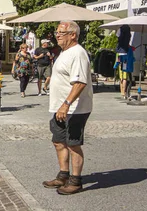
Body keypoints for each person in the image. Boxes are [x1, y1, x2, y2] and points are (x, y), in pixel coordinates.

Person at [43, 21, 93, 195]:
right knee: (58, 141)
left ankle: (76, 180)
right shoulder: (64, 52)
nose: (57, 35)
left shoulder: (78, 53)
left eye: (62, 32)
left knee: (73, 144)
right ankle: (63, 175)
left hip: (74, 109)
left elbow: (80, 83)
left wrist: (66, 104)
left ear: (73, 35)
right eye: (56, 32)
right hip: (60, 107)